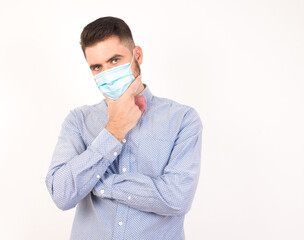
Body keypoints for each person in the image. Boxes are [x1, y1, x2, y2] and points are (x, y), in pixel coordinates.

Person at [45, 16, 203, 240]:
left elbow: (177, 198)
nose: (106, 72)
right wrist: (114, 131)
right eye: (97, 67)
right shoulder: (79, 120)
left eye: (115, 60)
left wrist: (96, 183)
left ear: (137, 55)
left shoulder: (183, 119)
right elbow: (61, 194)